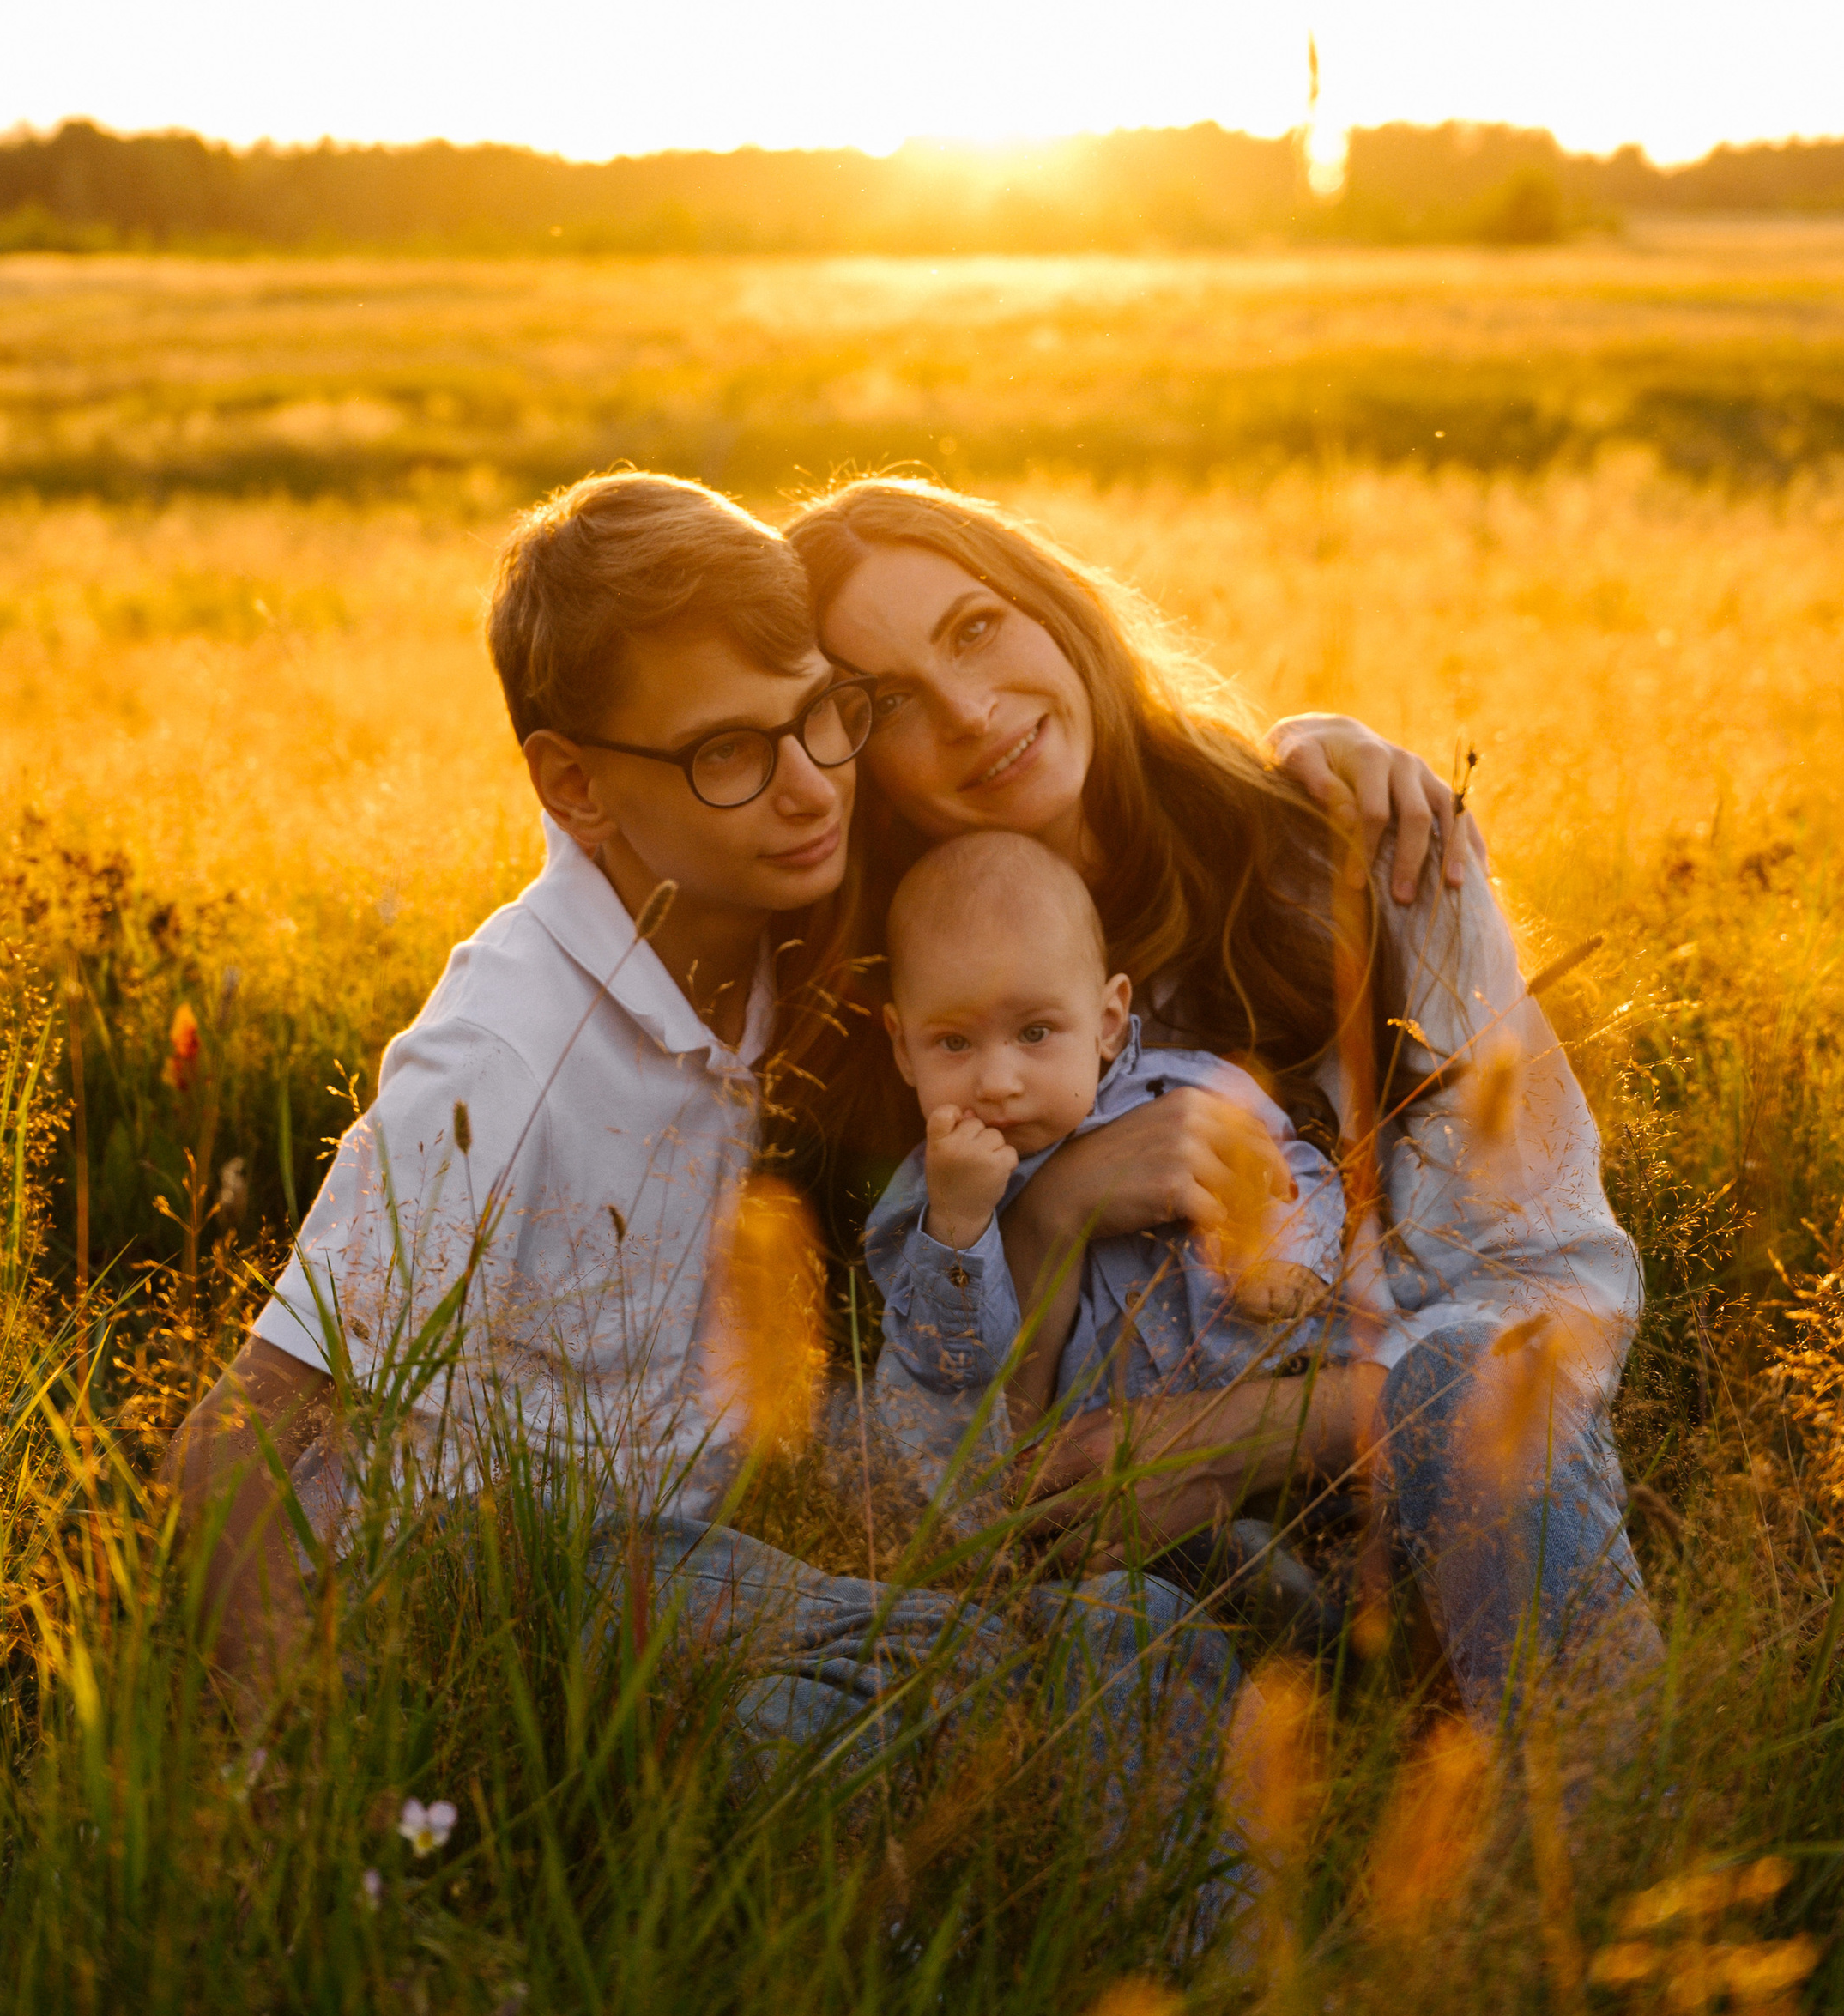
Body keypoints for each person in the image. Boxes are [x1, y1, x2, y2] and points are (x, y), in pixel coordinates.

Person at [161, 470, 1243, 1800]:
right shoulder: (502, 1058)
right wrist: (309, 1796)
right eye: (728, 751)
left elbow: (1045, 839)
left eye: (822, 716)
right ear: (575, 785)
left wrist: (1310, 753)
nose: (811, 789)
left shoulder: (797, 916)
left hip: (713, 1537)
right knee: (941, 1690)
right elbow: (238, 1442)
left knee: (1147, 1632)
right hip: (500, 1567)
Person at [781, 475, 1666, 1734]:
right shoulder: (900, 1028)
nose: (971, 713)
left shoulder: (1366, 853)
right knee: (1103, 1641)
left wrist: (1255, 1429)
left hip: (1444, 1519)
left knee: (1472, 1389)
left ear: (1056, 607)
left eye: (976, 626)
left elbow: (1555, 1287)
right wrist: (1049, 1218)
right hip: (1142, 1592)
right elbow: (929, 1479)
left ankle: (1613, 1849)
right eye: (889, 703)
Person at [865, 826, 1347, 1495]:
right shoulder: (927, 1202)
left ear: (1109, 1017)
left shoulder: (1185, 1092)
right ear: (900, 1047)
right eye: (952, 1041)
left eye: (1035, 1032)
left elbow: (1298, 1168)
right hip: (1099, 1501)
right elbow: (949, 1377)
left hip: (1274, 1441)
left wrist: (1292, 1254)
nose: (997, 1080)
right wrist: (960, 1227)